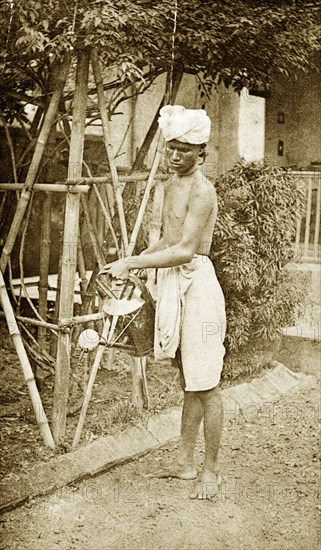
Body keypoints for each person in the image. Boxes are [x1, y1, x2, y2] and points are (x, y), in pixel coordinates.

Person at [103, 105, 226, 500]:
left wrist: (135, 262)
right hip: (173, 282)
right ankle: (185, 463)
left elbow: (187, 249)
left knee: (206, 383)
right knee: (187, 378)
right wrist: (131, 262)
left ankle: (211, 471)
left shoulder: (203, 191)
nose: (175, 156)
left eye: (184, 150)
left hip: (200, 289)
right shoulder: (169, 186)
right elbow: (166, 243)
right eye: (171, 148)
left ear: (201, 152)